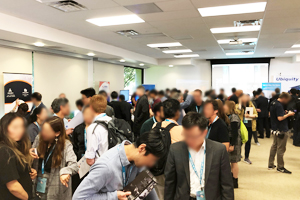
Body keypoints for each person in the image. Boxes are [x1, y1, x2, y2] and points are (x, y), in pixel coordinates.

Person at [73, 129, 166, 200]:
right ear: (142, 148)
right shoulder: (106, 167)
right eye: (152, 160)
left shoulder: (137, 161)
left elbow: (148, 187)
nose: (152, 164)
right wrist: (114, 196)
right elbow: (78, 197)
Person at [164, 112, 234, 200]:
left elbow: (227, 185)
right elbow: (170, 183)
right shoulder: (175, 149)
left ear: (204, 132)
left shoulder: (219, 150)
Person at [31, 116, 78, 200]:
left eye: (47, 131)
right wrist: (29, 155)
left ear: (57, 133)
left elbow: (74, 164)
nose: (43, 133)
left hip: (56, 187)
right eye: (42, 130)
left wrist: (66, 172)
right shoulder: (39, 139)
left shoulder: (66, 145)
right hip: (38, 183)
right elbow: (32, 157)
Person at [151, 99, 184, 200]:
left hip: (156, 168)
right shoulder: (181, 130)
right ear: (177, 112)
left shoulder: (155, 126)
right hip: (172, 171)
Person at [0, 113, 36, 200]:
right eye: (15, 127)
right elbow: (13, 187)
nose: (20, 130)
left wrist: (27, 172)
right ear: (4, 129)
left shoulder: (16, 147)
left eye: (21, 127)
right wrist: (29, 198)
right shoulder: (5, 151)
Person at [268, 92, 295, 174]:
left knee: (274, 146)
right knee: (281, 148)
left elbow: (272, 115)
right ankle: (280, 167)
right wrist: (289, 114)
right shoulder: (279, 105)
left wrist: (284, 113)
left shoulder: (273, 103)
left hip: (275, 128)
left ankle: (270, 164)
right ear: (284, 98)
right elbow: (280, 118)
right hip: (282, 129)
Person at [72, 105, 94, 193]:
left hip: (93, 162)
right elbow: (74, 147)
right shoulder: (78, 129)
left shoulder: (97, 128)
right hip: (80, 162)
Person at [85, 95, 112, 166]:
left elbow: (90, 160)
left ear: (91, 107)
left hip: (102, 168)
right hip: (116, 166)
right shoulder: (113, 122)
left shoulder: (93, 127)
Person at [236, 94, 258, 164]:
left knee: (248, 142)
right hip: (241, 126)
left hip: (249, 125)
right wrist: (240, 104)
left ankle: (246, 157)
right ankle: (238, 154)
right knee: (240, 141)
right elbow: (237, 112)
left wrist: (249, 116)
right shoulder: (237, 105)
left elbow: (256, 115)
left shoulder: (251, 104)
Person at [224, 100, 241, 188]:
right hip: (231, 141)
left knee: (234, 162)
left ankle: (235, 180)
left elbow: (234, 133)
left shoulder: (234, 118)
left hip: (234, 142)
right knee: (231, 161)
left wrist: (232, 145)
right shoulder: (230, 116)